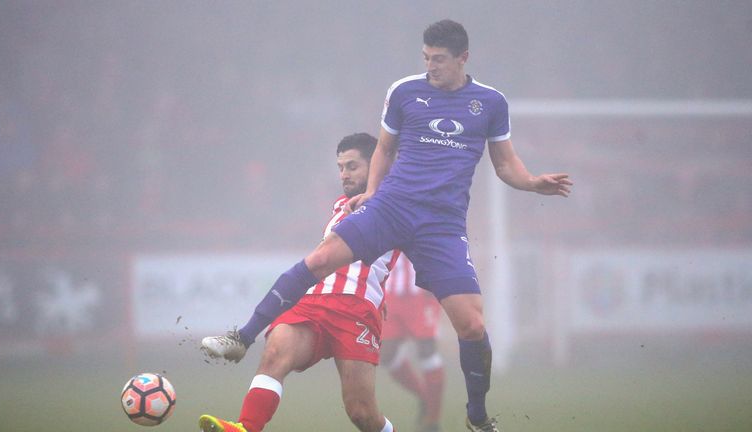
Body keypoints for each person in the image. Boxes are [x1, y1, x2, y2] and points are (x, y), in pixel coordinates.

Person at [202, 19, 573, 432]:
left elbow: (505, 163)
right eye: (426, 58)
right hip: (393, 205)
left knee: (471, 324)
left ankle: (477, 416)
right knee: (323, 256)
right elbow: (384, 149)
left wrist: (532, 183)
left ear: (463, 58)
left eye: (440, 60)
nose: (431, 67)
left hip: (442, 225)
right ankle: (243, 336)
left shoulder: (489, 103)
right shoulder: (404, 91)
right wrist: (374, 193)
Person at [199, 133, 399, 432]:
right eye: (341, 167)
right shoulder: (341, 205)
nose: (344, 174)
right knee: (276, 352)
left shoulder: (397, 204)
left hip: (357, 310)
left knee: (361, 413)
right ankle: (246, 428)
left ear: (376, 165)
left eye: (352, 166)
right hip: (314, 301)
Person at [380, 253, 446, 432]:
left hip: (421, 292)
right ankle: (425, 396)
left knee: (426, 349)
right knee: (386, 353)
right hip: (392, 293)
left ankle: (432, 420)